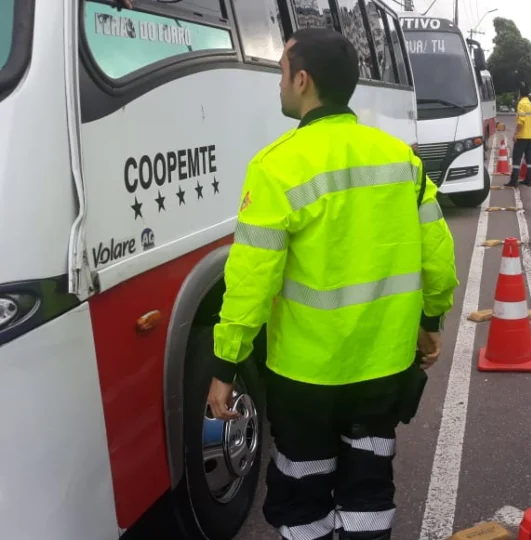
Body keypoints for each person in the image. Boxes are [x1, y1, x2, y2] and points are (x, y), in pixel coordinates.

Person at [206, 28, 459, 540]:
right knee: (368, 486)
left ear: (303, 81)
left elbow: (251, 280)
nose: (278, 84)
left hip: (306, 375)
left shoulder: (277, 166)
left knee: (303, 489)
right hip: (383, 365)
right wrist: (430, 320)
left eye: (281, 73)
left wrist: (226, 365)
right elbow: (438, 255)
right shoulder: (399, 159)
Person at [507, 85, 531, 187]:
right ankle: (528, 180)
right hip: (530, 137)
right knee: (529, 159)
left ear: (520, 94)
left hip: (522, 136)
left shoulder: (521, 104)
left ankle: (514, 181)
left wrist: (516, 134)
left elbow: (521, 121)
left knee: (516, 158)